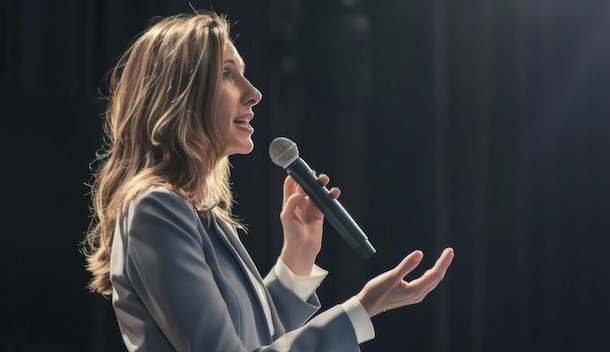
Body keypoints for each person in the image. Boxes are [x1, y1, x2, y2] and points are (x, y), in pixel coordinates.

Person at [81, 11, 454, 352]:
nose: (253, 93)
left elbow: (255, 338)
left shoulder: (203, 216)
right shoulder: (155, 209)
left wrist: (298, 255)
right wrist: (362, 309)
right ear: (180, 94)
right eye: (228, 74)